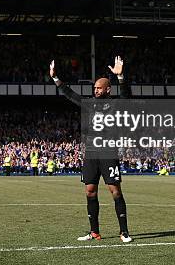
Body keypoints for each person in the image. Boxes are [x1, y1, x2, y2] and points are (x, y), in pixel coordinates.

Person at [50, 56, 132, 243]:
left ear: (107, 89)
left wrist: (121, 77)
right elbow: (69, 94)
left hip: (108, 153)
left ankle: (124, 231)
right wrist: (55, 78)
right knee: (90, 191)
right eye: (94, 88)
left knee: (115, 191)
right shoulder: (89, 103)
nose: (95, 90)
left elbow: (126, 96)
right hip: (91, 153)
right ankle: (94, 232)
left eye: (99, 88)